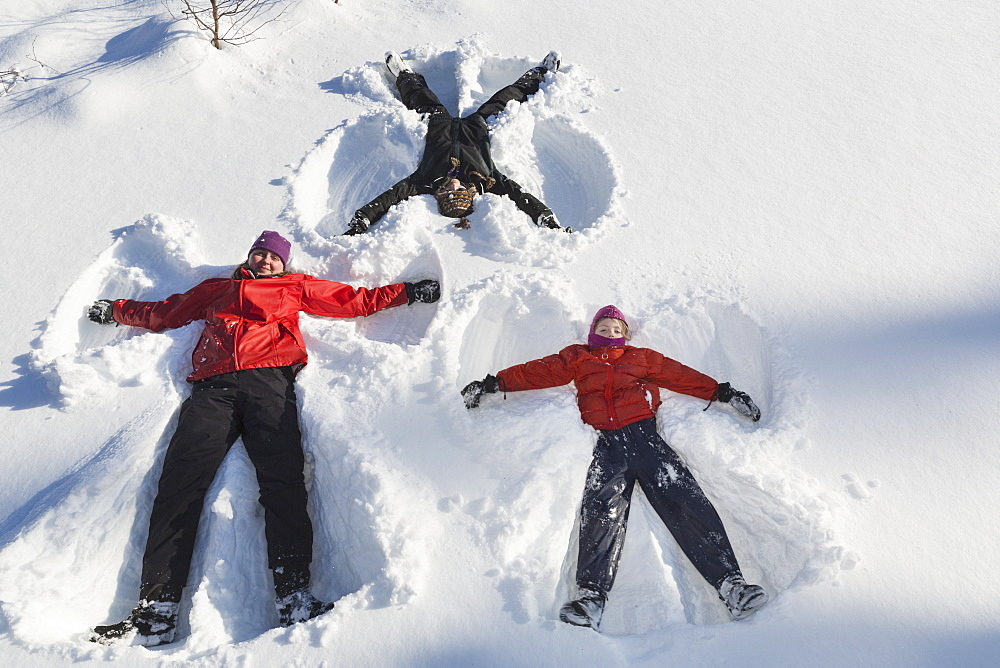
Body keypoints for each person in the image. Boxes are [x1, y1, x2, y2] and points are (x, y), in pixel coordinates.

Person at [85, 230, 441, 646]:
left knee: (283, 483)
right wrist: (117, 311)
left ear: (284, 264)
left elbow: (354, 301)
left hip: (269, 383)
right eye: (260, 254)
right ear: (249, 256)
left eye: (274, 257)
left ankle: (293, 596)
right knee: (179, 485)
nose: (266, 261)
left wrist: (409, 292)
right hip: (212, 390)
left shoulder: (294, 287)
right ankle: (157, 608)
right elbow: (166, 313)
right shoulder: (216, 289)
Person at [461, 305, 769, 629]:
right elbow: (539, 371)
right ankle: (591, 598)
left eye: (616, 330)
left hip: (646, 440)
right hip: (607, 447)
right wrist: (494, 384)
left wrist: (722, 392)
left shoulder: (642, 358)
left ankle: (732, 586)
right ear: (593, 332)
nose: (610, 334)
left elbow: (679, 375)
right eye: (604, 328)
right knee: (601, 512)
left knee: (684, 499)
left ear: (625, 336)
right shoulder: (577, 357)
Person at [344, 51, 571, 234]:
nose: (454, 185)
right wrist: (547, 219)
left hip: (439, 123)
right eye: (459, 190)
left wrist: (362, 220)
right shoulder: (488, 180)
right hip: (477, 125)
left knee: (420, 96)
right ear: (467, 191)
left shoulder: (424, 179)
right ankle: (541, 72)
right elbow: (520, 196)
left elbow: (391, 196)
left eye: (448, 191)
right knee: (508, 97)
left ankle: (403, 74)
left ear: (441, 194)